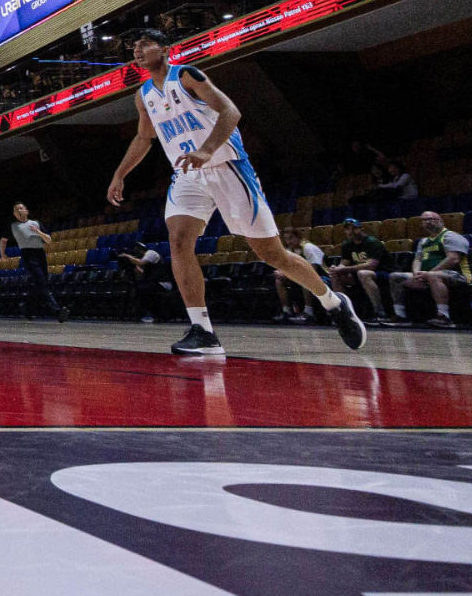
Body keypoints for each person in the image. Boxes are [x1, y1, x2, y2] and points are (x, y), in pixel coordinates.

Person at [106, 30, 364, 356]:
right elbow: (144, 139)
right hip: (188, 174)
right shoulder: (143, 95)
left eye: (145, 45)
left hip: (228, 167)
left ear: (165, 49)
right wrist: (119, 174)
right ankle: (203, 331)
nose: (138, 51)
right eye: (134, 48)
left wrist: (206, 149)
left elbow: (231, 112)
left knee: (271, 254)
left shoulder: (187, 75)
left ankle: (332, 301)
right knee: (179, 241)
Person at [387, 211, 471, 327]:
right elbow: (418, 260)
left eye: (431, 219)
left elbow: (453, 259)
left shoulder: (451, 236)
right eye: (424, 220)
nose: (428, 222)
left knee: (433, 276)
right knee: (395, 277)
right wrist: (416, 273)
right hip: (429, 276)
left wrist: (429, 273)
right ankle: (400, 316)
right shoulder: (423, 241)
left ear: (440, 221)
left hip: (459, 276)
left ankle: (444, 316)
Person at [0, 202, 70, 324]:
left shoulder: (36, 223)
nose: (20, 210)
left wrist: (38, 232)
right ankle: (57, 311)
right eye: (17, 209)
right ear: (15, 214)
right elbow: (3, 240)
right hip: (28, 255)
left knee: (41, 284)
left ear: (26, 211)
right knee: (42, 283)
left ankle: (26, 307)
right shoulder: (13, 226)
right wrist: (2, 254)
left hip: (40, 254)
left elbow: (49, 240)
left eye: (21, 208)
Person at [325, 218, 393, 320]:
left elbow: (371, 266)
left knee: (363, 273)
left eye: (354, 228)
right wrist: (337, 268)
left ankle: (380, 312)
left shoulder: (373, 242)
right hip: (359, 275)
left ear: (361, 229)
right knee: (335, 275)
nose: (351, 231)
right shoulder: (346, 245)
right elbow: (344, 263)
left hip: (382, 273)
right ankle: (344, 312)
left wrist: (344, 269)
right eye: (348, 229)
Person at [272, 227, 328, 321]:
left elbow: (312, 271)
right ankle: (286, 311)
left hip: (323, 276)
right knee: (279, 280)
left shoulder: (308, 248)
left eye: (291, 238)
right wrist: (280, 272)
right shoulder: (289, 250)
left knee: (305, 278)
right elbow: (285, 267)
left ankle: (309, 312)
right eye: (286, 239)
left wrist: (288, 274)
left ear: (298, 237)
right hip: (301, 276)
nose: (288, 241)